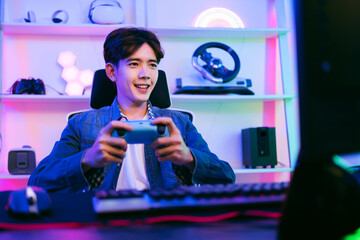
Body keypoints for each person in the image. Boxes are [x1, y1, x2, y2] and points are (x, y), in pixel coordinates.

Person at [28, 27, 236, 193]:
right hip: (105, 223)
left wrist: (189, 157)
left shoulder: (179, 123)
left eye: (152, 65)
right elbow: (38, 181)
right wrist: (87, 159)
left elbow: (227, 176)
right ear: (111, 72)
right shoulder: (81, 124)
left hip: (165, 223)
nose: (146, 74)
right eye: (134, 64)